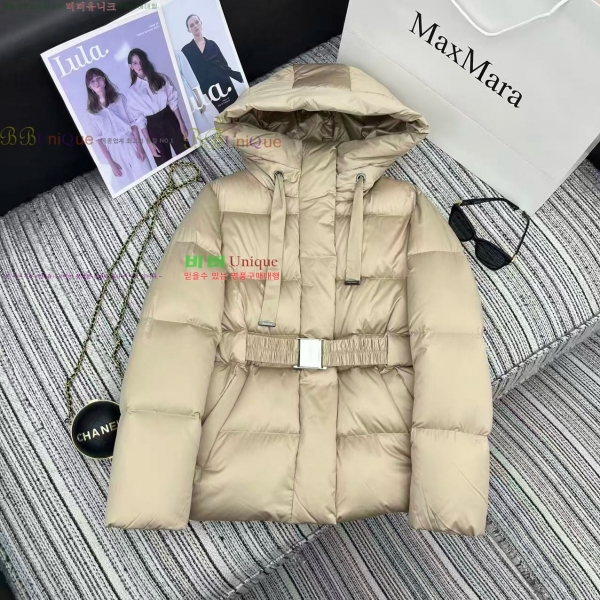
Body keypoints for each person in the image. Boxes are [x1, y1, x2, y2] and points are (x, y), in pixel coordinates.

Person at [85, 68, 151, 191]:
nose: (97, 82)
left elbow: (133, 124)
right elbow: (99, 140)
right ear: (89, 86)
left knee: (147, 175)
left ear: (104, 80)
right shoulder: (92, 112)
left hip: (131, 142)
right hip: (114, 150)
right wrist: (111, 163)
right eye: (92, 81)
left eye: (99, 78)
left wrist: (140, 147)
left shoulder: (120, 99)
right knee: (128, 185)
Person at [126, 49, 189, 167]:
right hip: (152, 127)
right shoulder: (132, 92)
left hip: (170, 119)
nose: (139, 65)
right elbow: (139, 119)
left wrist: (181, 122)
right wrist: (149, 142)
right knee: (164, 164)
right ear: (131, 66)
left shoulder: (161, 77)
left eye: (141, 61)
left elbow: (173, 101)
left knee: (186, 154)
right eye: (135, 63)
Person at [181, 14, 244, 113]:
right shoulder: (185, 51)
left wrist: (239, 76)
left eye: (197, 22)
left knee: (237, 109)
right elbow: (189, 76)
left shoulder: (212, 44)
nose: (195, 26)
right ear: (188, 29)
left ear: (201, 23)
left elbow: (224, 65)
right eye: (191, 25)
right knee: (224, 114)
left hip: (224, 82)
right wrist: (198, 97)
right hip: (209, 89)